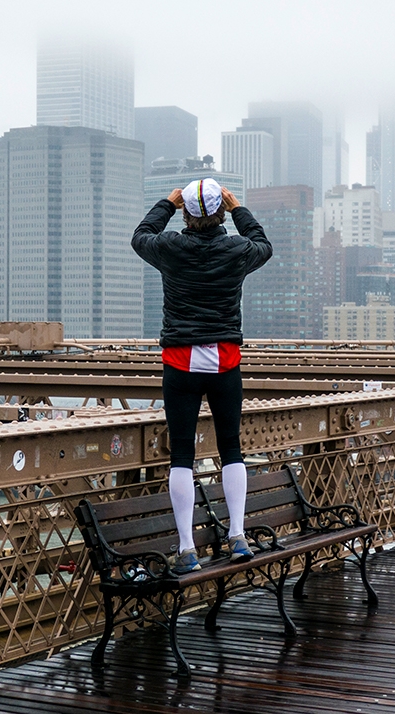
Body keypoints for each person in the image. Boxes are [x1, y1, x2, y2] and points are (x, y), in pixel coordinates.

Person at [132, 178, 273, 573]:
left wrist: (166, 203)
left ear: (187, 212)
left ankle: (186, 548)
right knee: (231, 449)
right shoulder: (237, 249)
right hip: (225, 359)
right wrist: (239, 209)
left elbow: (141, 236)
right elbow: (264, 244)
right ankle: (238, 536)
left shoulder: (170, 248)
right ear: (220, 210)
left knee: (181, 455)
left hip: (179, 361)